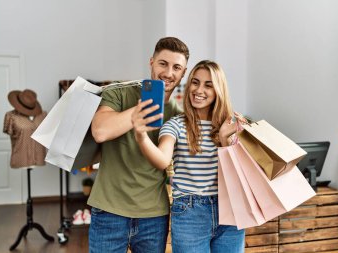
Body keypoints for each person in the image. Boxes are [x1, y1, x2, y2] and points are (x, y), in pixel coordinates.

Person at [87, 37, 189, 253]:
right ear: (151, 62)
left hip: (153, 217)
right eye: (163, 63)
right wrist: (141, 110)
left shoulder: (179, 116)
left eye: (176, 67)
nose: (169, 73)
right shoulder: (119, 93)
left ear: (183, 73)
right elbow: (100, 131)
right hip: (108, 211)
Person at [132, 60, 246, 252]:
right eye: (195, 82)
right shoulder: (175, 125)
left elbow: (238, 173)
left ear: (219, 90)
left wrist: (227, 139)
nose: (199, 90)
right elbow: (162, 160)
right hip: (190, 213)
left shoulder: (230, 125)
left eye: (208, 85)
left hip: (230, 210)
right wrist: (141, 135)